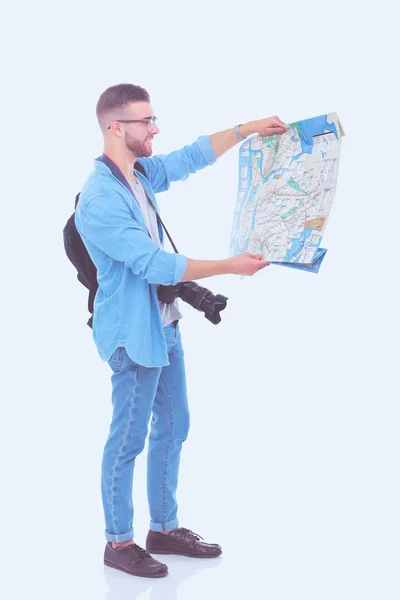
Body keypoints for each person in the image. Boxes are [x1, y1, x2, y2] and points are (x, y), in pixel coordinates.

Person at [75, 83, 287, 578]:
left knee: (175, 425)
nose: (155, 129)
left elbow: (189, 158)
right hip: (133, 335)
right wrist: (230, 265)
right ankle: (118, 542)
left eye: (154, 119)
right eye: (146, 122)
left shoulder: (139, 173)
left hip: (163, 325)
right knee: (126, 441)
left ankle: (164, 528)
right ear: (116, 127)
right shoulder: (100, 198)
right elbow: (154, 264)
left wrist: (246, 129)